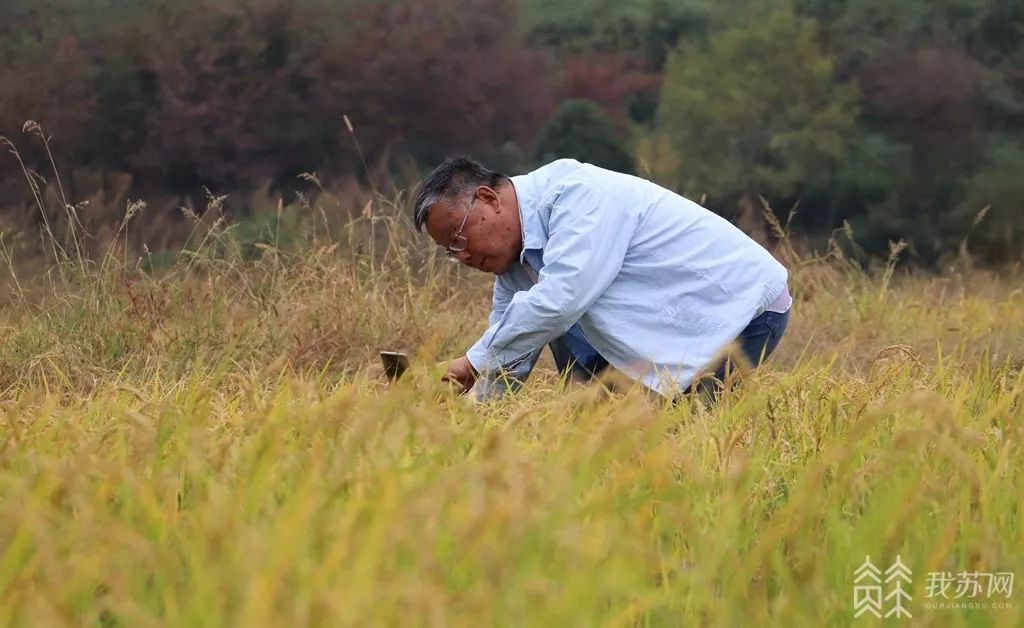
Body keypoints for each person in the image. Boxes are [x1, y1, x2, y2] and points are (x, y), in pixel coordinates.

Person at [412, 156, 792, 402]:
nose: (461, 256)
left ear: (488, 199)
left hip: (738, 309)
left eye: (459, 238)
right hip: (673, 319)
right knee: (534, 326)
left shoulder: (577, 196)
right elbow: (510, 348)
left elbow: (561, 300)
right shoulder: (515, 265)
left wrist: (470, 362)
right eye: (449, 250)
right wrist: (466, 414)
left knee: (685, 445)